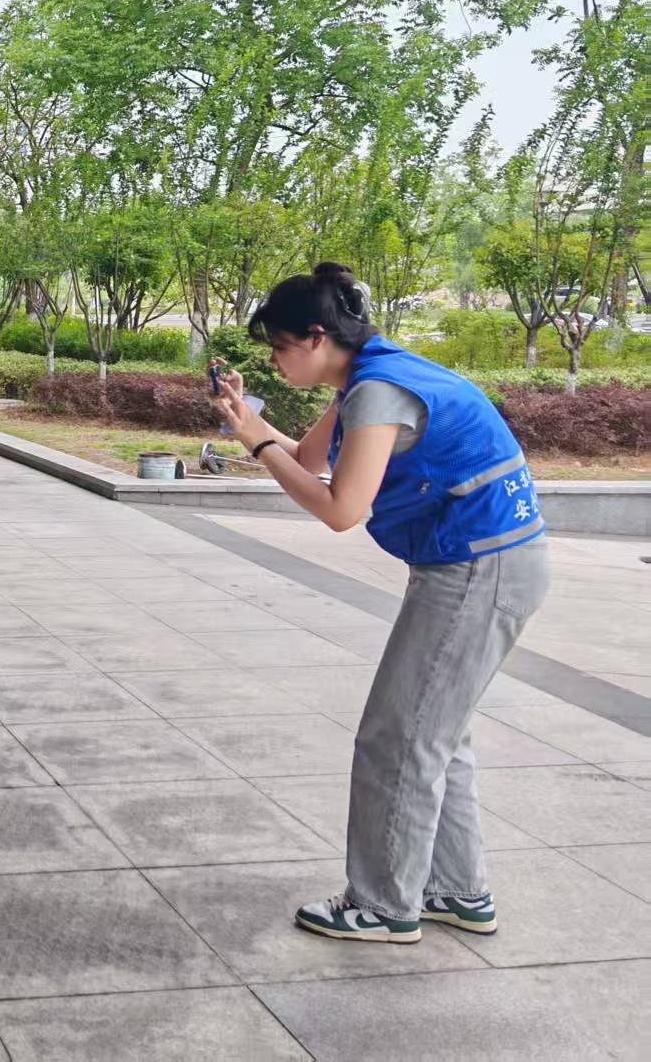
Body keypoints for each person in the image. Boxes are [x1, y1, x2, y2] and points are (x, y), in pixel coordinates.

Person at [211, 262, 549, 945]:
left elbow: (341, 508)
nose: (274, 361)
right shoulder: (372, 376)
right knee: (435, 735)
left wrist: (256, 443)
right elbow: (309, 460)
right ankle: (457, 890)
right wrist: (250, 422)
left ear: (317, 337)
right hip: (488, 563)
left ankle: (384, 903)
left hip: (477, 570)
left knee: (396, 738)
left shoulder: (377, 391)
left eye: (280, 347)